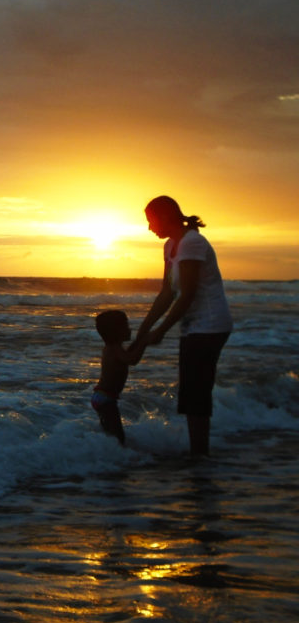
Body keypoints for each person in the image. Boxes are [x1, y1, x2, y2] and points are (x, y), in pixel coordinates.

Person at [136, 195, 232, 456]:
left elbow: (187, 294)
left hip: (211, 325)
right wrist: (144, 331)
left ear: (166, 217)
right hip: (193, 326)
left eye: (151, 221)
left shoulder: (192, 243)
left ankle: (200, 457)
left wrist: (162, 331)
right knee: (191, 392)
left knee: (196, 393)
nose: (149, 228)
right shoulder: (170, 246)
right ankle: (198, 453)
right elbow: (167, 293)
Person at [92, 309, 145, 445]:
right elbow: (132, 359)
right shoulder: (115, 349)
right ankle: (117, 457)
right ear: (116, 332)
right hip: (106, 398)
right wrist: (144, 343)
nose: (129, 329)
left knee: (111, 433)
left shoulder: (112, 348)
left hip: (102, 396)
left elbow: (129, 353)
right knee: (117, 436)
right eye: (126, 327)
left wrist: (139, 340)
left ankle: (108, 452)